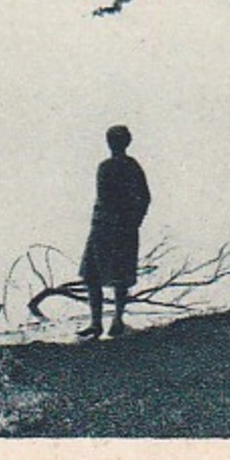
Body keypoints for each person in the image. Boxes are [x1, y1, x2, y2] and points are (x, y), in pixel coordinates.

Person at [76, 124, 151, 340]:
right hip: (105, 226)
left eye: (115, 140)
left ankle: (115, 321)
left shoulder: (125, 166)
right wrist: (134, 220)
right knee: (93, 275)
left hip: (114, 227)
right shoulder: (113, 166)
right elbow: (143, 198)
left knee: (115, 276)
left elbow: (144, 197)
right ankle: (98, 323)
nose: (112, 144)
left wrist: (135, 221)